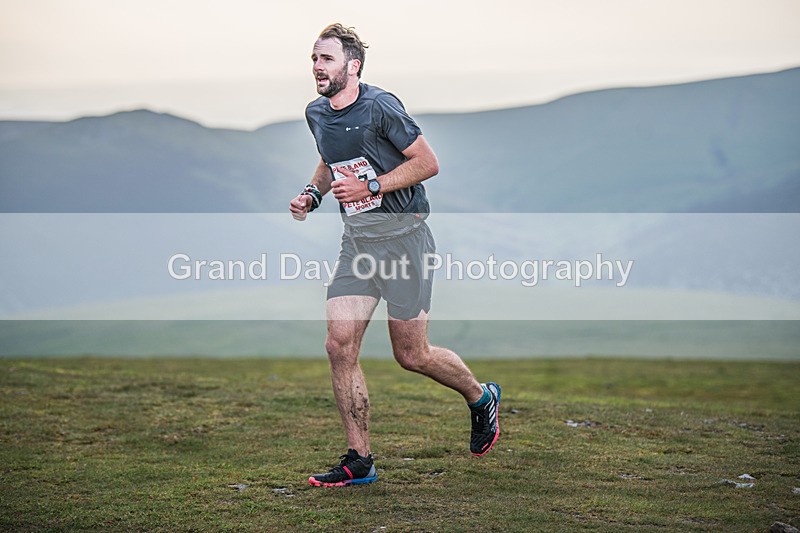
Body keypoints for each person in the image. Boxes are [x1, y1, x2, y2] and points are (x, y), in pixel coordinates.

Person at [289, 23, 501, 488]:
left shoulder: (381, 105)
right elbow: (329, 161)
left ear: (353, 65)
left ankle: (480, 395)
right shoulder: (316, 113)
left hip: (405, 239)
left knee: (412, 354)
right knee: (338, 345)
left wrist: (371, 185)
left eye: (326, 59)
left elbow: (428, 163)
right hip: (357, 244)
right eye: (313, 59)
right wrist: (312, 194)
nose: (317, 68)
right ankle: (359, 460)